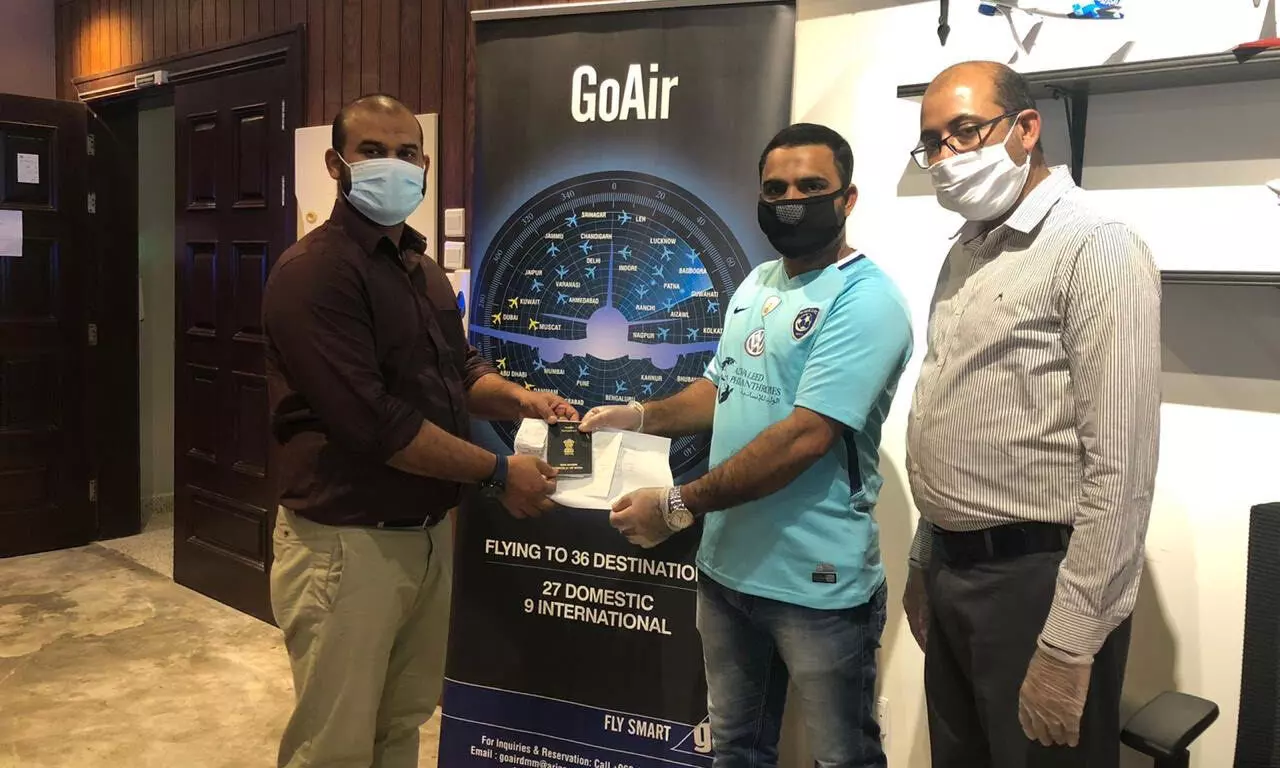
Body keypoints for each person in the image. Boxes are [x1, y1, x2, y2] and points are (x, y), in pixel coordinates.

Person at [578, 123, 912, 768]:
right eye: (775, 189)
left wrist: (676, 505)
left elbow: (804, 437)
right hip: (726, 571)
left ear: (848, 199)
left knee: (842, 756)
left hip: (815, 582)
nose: (791, 201)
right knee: (735, 749)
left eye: (811, 187)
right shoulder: (758, 283)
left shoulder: (867, 300)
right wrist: (640, 415)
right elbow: (720, 388)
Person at [263, 93, 578, 768]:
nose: (393, 165)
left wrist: (524, 401)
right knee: (334, 744)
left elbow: (458, 371)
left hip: (425, 535)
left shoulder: (419, 267)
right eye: (372, 151)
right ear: (336, 164)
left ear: (426, 164)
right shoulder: (315, 273)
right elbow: (377, 423)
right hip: (346, 543)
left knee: (401, 721)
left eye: (406, 153)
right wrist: (499, 473)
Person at [903, 61, 1161, 768]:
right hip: (954, 571)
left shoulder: (1096, 244)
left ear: (1025, 129)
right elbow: (954, 414)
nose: (947, 157)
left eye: (965, 132)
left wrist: (1069, 643)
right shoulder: (967, 248)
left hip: (1037, 583)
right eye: (933, 142)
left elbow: (1122, 469)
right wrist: (926, 558)